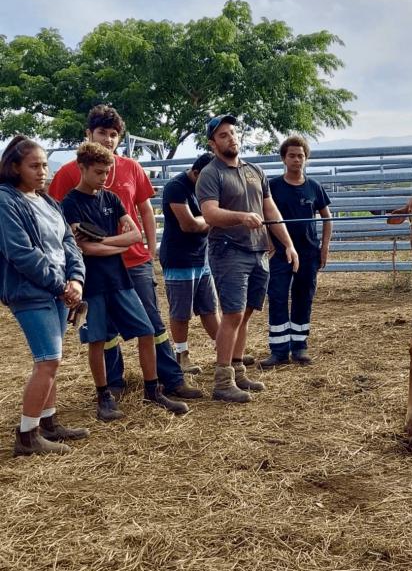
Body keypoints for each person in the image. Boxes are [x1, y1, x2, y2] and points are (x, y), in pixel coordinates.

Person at [48, 105, 201, 400]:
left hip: (134, 261)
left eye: (114, 134)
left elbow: (144, 207)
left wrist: (147, 247)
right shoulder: (69, 173)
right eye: (102, 133)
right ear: (88, 134)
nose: (108, 139)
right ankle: (113, 385)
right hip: (93, 267)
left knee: (152, 322)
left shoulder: (131, 167)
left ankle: (170, 380)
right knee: (103, 330)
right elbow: (59, 221)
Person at [61, 142, 188, 420]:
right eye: (98, 172)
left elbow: (135, 236)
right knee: (98, 340)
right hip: (91, 283)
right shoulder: (70, 203)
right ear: (81, 168)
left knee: (146, 331)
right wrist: (115, 245)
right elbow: (85, 249)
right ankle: (104, 396)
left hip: (120, 279)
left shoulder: (111, 199)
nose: (104, 178)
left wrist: (105, 241)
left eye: (107, 172)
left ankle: (152, 390)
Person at [197, 115, 298, 403]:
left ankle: (238, 370)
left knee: (247, 314)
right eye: (223, 135)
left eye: (233, 133)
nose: (231, 138)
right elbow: (210, 214)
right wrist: (241, 217)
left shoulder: (255, 171)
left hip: (258, 251)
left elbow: (271, 212)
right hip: (228, 250)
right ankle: (222, 380)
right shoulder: (211, 174)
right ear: (213, 143)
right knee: (233, 314)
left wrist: (288, 244)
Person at [0, 135, 89, 456]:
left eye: (44, 165)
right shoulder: (5, 201)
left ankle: (49, 422)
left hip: (57, 290)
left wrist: (76, 279)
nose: (42, 172)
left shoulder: (47, 201)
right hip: (31, 291)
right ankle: (27, 436)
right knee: (48, 361)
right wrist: (62, 285)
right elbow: (20, 253)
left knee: (52, 360)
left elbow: (69, 242)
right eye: (34, 166)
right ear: (14, 167)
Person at [260, 135, 332, 369]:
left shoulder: (314, 187)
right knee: (278, 296)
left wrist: (324, 247)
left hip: (309, 253)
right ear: (283, 158)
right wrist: (269, 242)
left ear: (306, 159)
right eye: (291, 155)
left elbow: (327, 218)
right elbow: (263, 216)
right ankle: (279, 350)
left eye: (300, 156)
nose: (296, 159)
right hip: (280, 254)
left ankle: (300, 346)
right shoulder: (272, 187)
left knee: (304, 297)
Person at [159, 152, 219, 375]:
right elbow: (189, 225)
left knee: (209, 307)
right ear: (196, 173)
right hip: (179, 258)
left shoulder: (207, 187)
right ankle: (181, 355)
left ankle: (225, 349)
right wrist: (213, 218)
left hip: (201, 256)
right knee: (181, 312)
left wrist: (209, 219)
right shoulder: (176, 187)